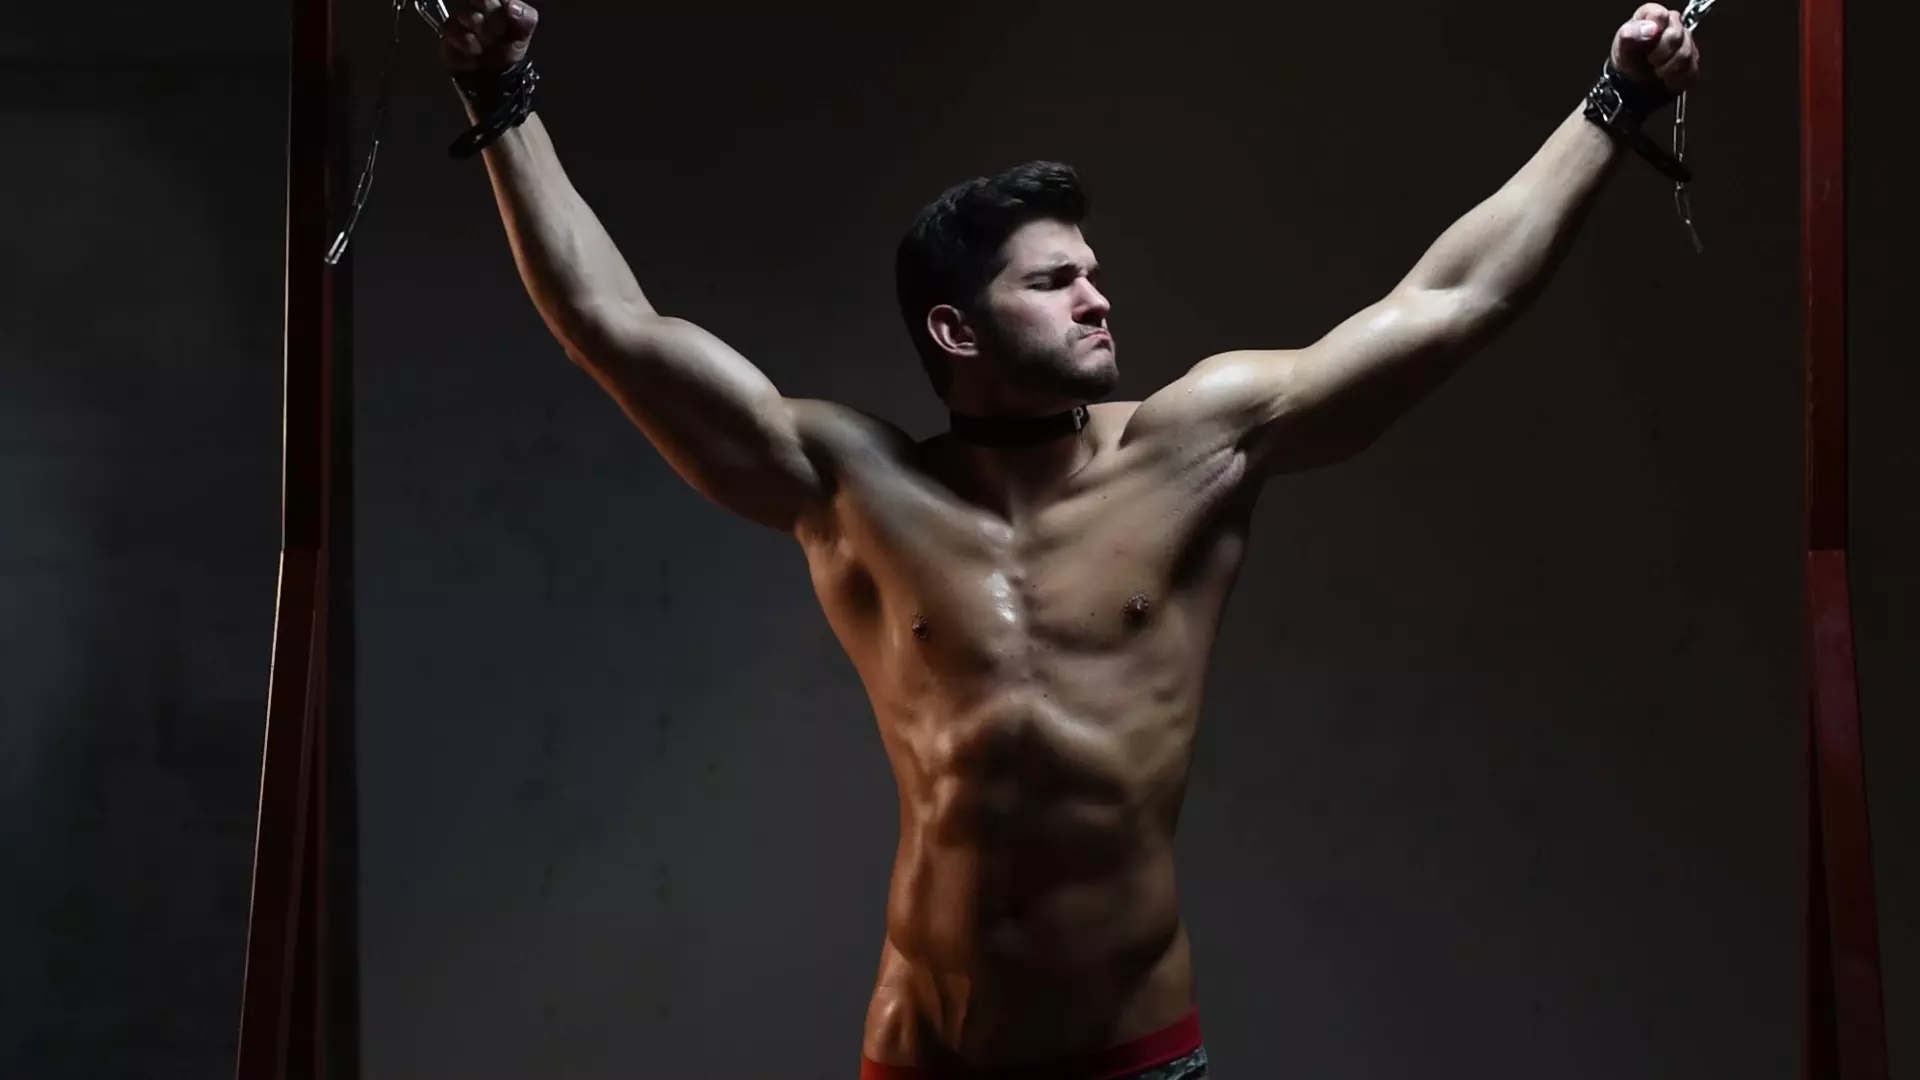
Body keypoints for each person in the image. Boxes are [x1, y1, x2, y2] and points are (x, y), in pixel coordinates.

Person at [437, 4, 1703, 1077]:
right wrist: (499, 93)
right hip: (922, 1052)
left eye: (1091, 273)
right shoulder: (851, 484)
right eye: (1054, 282)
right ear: (956, 330)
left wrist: (1617, 101)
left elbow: (1452, 298)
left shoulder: (1196, 445)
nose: (1099, 298)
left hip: (1130, 1055)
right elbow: (613, 324)